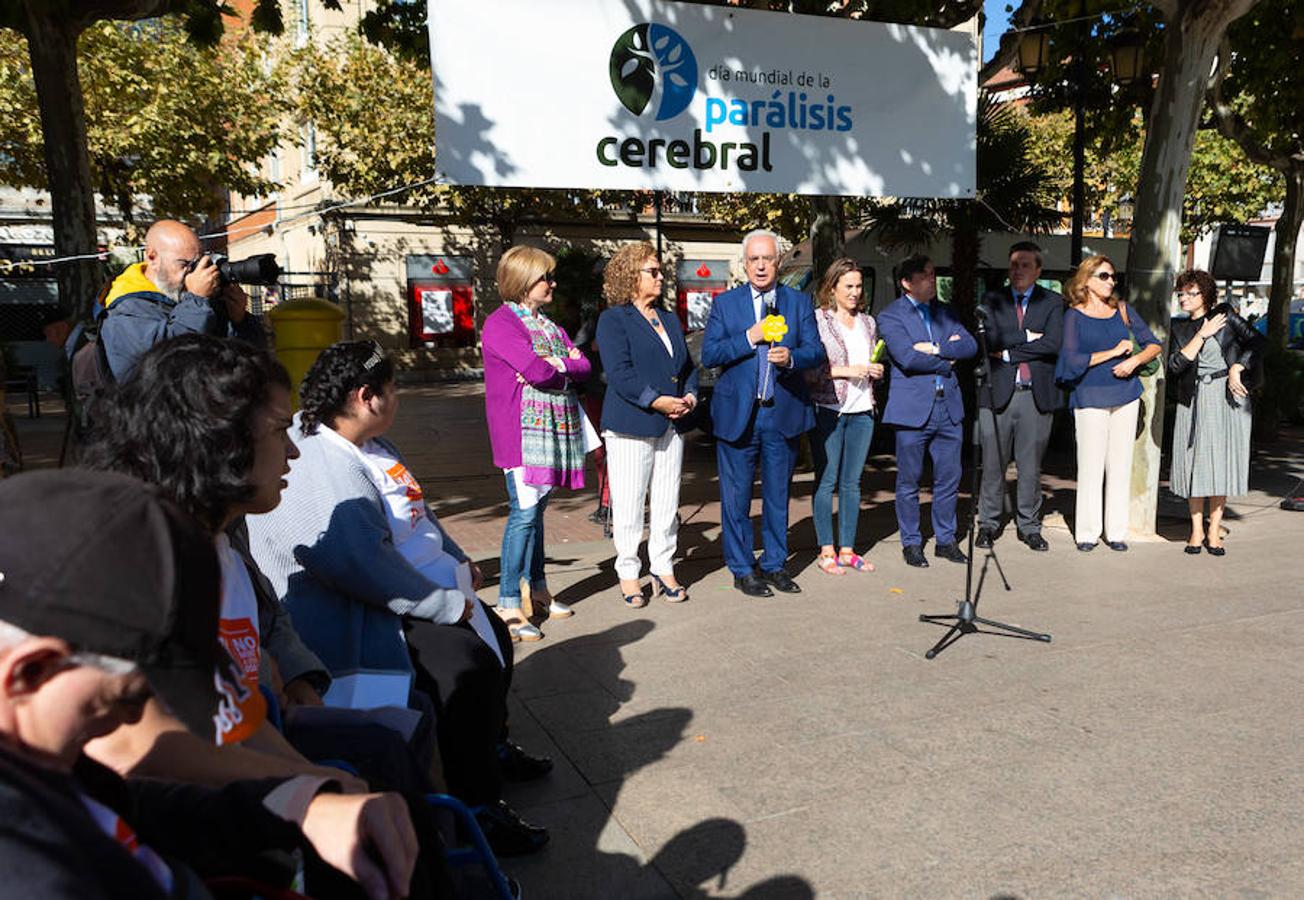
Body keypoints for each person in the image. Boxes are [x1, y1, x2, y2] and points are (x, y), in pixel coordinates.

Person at [0, 469, 421, 900]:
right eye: (130, 697)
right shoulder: (30, 872)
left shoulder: (48, 765)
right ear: (30, 672)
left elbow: (133, 805)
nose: (133, 719)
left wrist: (301, 805)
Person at [247, 340, 552, 857]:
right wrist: (444, 603)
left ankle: (489, 746)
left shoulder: (372, 444)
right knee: (465, 665)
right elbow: (359, 565)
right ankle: (477, 805)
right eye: (392, 390)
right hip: (363, 612)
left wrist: (458, 559)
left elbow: (420, 511)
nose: (397, 399)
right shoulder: (321, 460)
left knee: (494, 636)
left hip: (412, 590)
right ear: (367, 396)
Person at [701, 229, 826, 597]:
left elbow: (815, 351)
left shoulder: (798, 302)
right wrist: (749, 337)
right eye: (753, 259)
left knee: (777, 495)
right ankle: (742, 569)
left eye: (766, 259)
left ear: (778, 261)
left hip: (781, 411)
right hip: (739, 414)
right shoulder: (726, 304)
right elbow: (709, 355)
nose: (760, 266)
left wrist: (792, 358)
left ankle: (774, 565)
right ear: (744, 264)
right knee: (736, 498)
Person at [481, 245, 593, 638]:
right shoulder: (500, 324)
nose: (552, 283)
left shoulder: (547, 325)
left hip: (550, 430)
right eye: (546, 277)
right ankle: (508, 602)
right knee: (524, 514)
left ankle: (538, 588)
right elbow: (534, 370)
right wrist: (558, 369)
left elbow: (583, 365)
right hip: (519, 433)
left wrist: (557, 366)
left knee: (537, 512)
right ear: (524, 280)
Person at [596, 241, 699, 606]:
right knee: (628, 504)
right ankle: (628, 572)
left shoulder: (670, 318)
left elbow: (686, 368)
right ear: (630, 276)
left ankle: (663, 566)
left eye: (659, 271)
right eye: (652, 271)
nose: (660, 276)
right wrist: (656, 400)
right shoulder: (613, 320)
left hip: (673, 424)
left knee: (667, 501)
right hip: (630, 424)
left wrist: (689, 396)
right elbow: (619, 373)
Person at [1054, 255, 1162, 551]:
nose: (1111, 282)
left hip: (1125, 395)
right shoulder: (1073, 316)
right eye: (1104, 276)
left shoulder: (1123, 310)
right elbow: (1072, 360)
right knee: (1090, 465)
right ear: (1086, 280)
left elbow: (1154, 343)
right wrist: (1114, 353)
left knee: (1120, 464)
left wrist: (1135, 361)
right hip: (1089, 396)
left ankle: (1116, 532)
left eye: (1113, 277)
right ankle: (1087, 533)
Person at [877, 254, 978, 568]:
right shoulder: (891, 316)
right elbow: (906, 358)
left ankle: (945, 540)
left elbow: (970, 346)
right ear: (907, 282)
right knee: (909, 480)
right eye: (926, 275)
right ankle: (911, 542)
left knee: (949, 478)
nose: (933, 280)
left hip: (948, 407)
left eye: (934, 274)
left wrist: (935, 349)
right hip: (912, 411)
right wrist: (946, 360)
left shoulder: (945, 312)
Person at [975, 242, 1065, 552]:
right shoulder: (993, 299)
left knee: (1030, 466)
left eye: (1025, 265)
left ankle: (1029, 526)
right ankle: (988, 522)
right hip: (996, 393)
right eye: (1014, 264)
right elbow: (989, 338)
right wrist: (1028, 337)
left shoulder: (1053, 301)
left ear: (1038, 270)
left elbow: (1054, 343)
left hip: (1035, 395)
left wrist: (1010, 353)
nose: (1018, 271)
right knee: (992, 464)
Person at [1167, 269, 1264, 556]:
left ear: (1205, 295)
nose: (1184, 298)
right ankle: (1196, 530)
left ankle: (1213, 529)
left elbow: (1258, 342)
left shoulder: (1225, 316)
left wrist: (1238, 367)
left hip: (1225, 397)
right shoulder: (1180, 328)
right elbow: (1175, 366)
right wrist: (1201, 334)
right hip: (1193, 399)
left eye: (1190, 293)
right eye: (1181, 293)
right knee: (1195, 463)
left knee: (1218, 465)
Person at [99, 219, 263, 380]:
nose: (192, 274)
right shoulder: (127, 308)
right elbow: (169, 360)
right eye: (184, 265)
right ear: (152, 257)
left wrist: (239, 321)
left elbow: (243, 361)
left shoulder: (195, 301)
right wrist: (196, 301)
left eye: (197, 264)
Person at [805, 257, 884, 575]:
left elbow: (869, 363)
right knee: (827, 480)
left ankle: (848, 550)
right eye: (848, 286)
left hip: (863, 408)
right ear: (832, 287)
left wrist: (874, 370)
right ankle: (826, 550)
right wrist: (853, 370)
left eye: (858, 286)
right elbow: (811, 370)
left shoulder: (868, 322)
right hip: (829, 409)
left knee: (852, 483)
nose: (854, 292)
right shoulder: (818, 321)